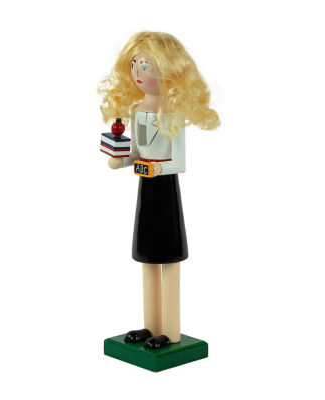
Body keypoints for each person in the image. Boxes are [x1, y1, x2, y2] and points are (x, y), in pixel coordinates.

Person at [99, 31, 220, 349]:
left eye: (146, 66)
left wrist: (156, 168)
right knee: (148, 257)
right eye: (135, 65)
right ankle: (150, 326)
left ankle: (172, 331)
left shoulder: (172, 113)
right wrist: (121, 159)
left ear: (169, 70)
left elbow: (179, 161)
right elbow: (136, 152)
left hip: (165, 190)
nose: (138, 73)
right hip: (146, 191)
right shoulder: (137, 110)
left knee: (169, 258)